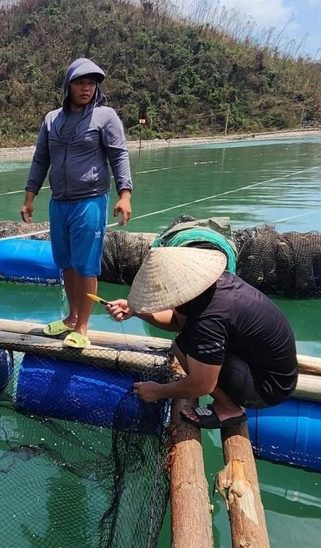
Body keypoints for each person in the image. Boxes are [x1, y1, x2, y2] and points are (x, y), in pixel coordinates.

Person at [105, 247, 298, 429]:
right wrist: (136, 311)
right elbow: (177, 323)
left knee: (189, 347)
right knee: (182, 343)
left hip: (267, 388)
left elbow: (202, 385)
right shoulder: (212, 285)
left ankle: (227, 408)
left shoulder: (210, 320)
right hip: (259, 364)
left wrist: (158, 391)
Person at [22, 57, 133, 349]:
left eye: (91, 83)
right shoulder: (51, 119)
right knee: (67, 263)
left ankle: (83, 327)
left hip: (90, 201)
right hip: (59, 202)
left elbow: (118, 155)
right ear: (68, 86)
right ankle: (71, 317)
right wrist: (30, 196)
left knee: (86, 265)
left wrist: (125, 194)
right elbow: (40, 159)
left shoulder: (105, 116)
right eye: (80, 82)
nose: (86, 88)